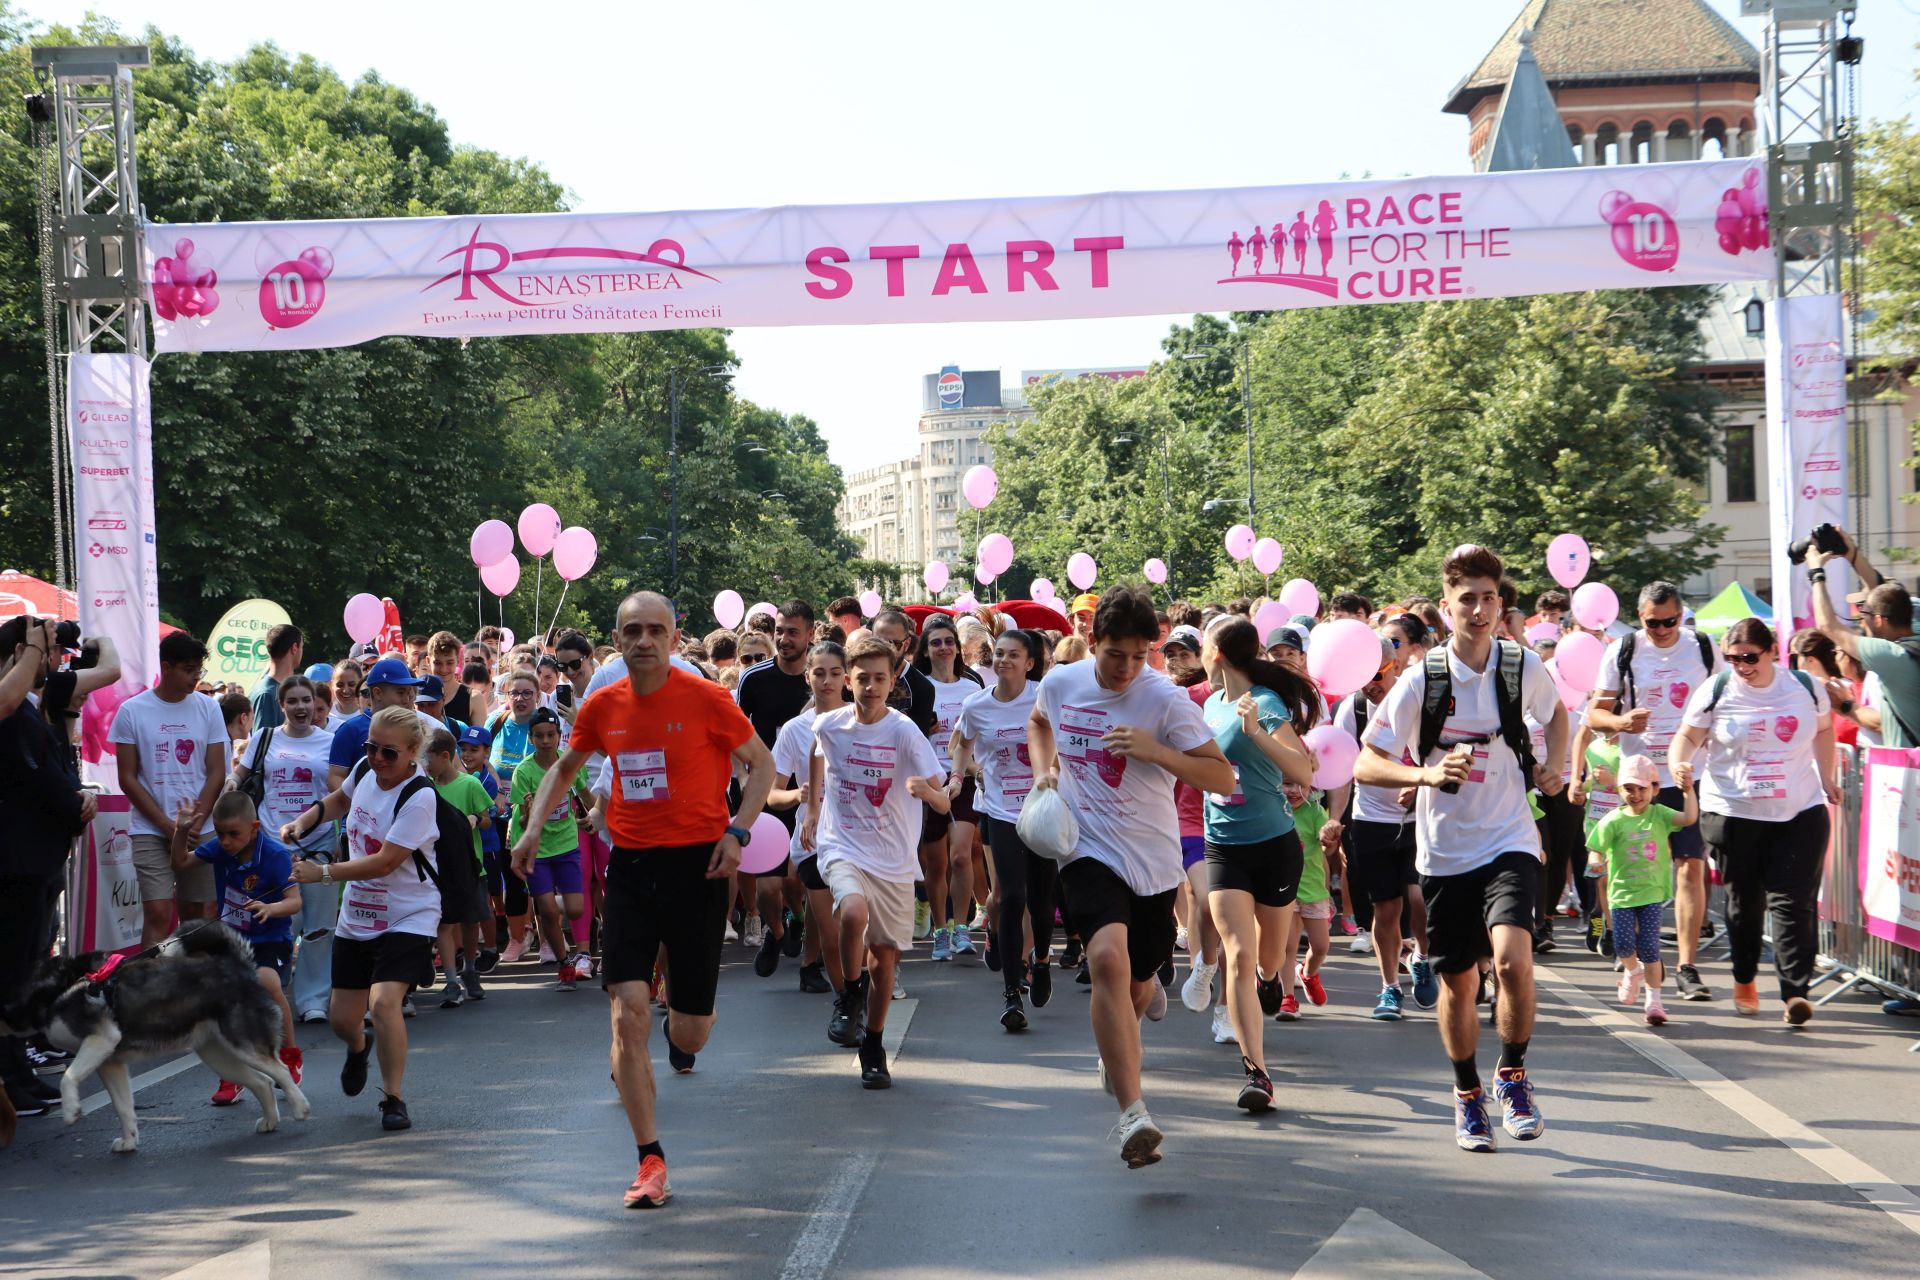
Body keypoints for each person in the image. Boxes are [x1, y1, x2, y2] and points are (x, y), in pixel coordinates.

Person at [512, 592, 771, 1209]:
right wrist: (531, 829)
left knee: (690, 1034)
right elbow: (565, 769)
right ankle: (649, 1160)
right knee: (627, 1013)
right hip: (631, 866)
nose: (645, 641)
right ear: (619, 638)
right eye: (633, 631)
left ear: (675, 639)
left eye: (657, 630)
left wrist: (738, 833)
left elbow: (761, 767)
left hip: (699, 868)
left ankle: (683, 1013)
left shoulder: (707, 699)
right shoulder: (604, 705)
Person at [1355, 545, 1566, 1152]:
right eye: (1466, 599)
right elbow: (1367, 762)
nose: (1478, 610)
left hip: (1510, 837)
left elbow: (1556, 717)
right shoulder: (1423, 678)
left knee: (1513, 962)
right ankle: (1468, 1093)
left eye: (1488, 598)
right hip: (1446, 851)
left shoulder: (1520, 665)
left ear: (1501, 605)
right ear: (1446, 608)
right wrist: (1425, 774)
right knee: (1458, 983)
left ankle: (1513, 1075)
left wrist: (1555, 765)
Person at [1029, 586, 1235, 1167]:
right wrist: (1045, 771)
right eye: (1115, 655)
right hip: (1085, 848)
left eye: (1139, 656)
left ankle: (1118, 1039)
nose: (1126, 668)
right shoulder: (1062, 683)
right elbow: (1039, 722)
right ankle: (1132, 1115)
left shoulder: (1165, 700)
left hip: (1152, 860)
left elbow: (1221, 777)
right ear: (1092, 642)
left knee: (1139, 985)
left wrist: (1157, 751)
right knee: (1106, 962)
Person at [1669, 618, 1838, 1025]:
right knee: (1745, 904)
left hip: (1799, 810)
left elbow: (1824, 729)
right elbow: (1688, 736)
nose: (1741, 666)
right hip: (1733, 812)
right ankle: (1744, 978)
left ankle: (1795, 994)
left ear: (1772, 652)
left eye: (1749, 657)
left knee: (1792, 902)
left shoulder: (1804, 686)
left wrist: (1827, 776)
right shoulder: (1716, 689)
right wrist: (1679, 763)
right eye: (1732, 658)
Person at [286, 706, 442, 1132]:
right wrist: (306, 819)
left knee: (384, 1002)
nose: (377, 759)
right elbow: (341, 799)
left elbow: (386, 862)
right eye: (372, 748)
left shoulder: (420, 796)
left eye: (389, 753)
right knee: (342, 1020)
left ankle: (393, 1097)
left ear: (413, 751)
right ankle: (358, 1046)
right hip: (358, 913)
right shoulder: (364, 770)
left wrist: (323, 873)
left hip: (408, 913)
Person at [802, 635, 946, 1088]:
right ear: (848, 680)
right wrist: (812, 808)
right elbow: (817, 752)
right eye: (862, 678)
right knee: (852, 912)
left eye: (879, 678)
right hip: (842, 845)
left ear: (892, 681)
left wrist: (927, 793)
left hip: (893, 858)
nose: (870, 687)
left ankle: (874, 1044)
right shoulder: (830, 724)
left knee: (884, 963)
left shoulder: (904, 732)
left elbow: (943, 800)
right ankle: (850, 994)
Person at [1197, 616, 1317, 1112]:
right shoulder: (1209, 704)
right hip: (1223, 847)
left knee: (1267, 962)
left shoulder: (1264, 704)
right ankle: (1257, 1073)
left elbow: (1302, 769)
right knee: (1239, 954)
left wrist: (1256, 733)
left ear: (1218, 653)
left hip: (1273, 846)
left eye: (1203, 646)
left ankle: (1271, 981)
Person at [1585, 582, 1720, 1001]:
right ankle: (1633, 954)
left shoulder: (1703, 647)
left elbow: (1725, 699)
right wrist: (1621, 723)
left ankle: (1687, 967)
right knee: (1631, 869)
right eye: (1652, 623)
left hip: (1687, 775)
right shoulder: (1624, 651)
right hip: (1638, 779)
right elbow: (1594, 714)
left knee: (1689, 866)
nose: (1661, 630)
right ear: (1639, 618)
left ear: (1681, 616)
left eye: (1670, 621)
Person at [0, 616, 95, 1118]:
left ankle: (19, 1074)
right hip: (13, 864)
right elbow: (33, 773)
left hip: (34, 862)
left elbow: (49, 769)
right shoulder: (9, 707)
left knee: (23, 975)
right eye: (45, 649)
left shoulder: (26, 708)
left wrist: (77, 798)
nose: (53, 658)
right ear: (20, 652)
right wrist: (72, 802)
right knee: (11, 978)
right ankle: (11, 1080)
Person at [1327, 635, 1437, 1014]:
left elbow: (1440, 755)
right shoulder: (1352, 710)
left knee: (1419, 900)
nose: (1370, 685)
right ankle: (1390, 987)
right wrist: (1335, 819)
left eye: (1376, 675)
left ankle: (1421, 957)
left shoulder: (1418, 699)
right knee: (1385, 910)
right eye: (1361, 678)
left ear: (1396, 667)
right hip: (1371, 819)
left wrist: (1419, 785)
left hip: (1417, 818)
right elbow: (1343, 772)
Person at [170, 791, 304, 1104]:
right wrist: (180, 831)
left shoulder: (275, 855)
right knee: (222, 1002)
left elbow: (295, 902)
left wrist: (271, 909)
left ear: (254, 828)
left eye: (233, 834)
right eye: (220, 834)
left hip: (271, 940)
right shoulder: (219, 849)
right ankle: (232, 1075)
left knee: (268, 983)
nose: (225, 841)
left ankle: (290, 1055)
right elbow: (181, 861)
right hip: (231, 941)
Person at [951, 629, 1052, 1031]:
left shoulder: (1045, 697)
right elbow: (962, 743)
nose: (1003, 661)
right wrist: (960, 774)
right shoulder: (977, 704)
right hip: (1000, 810)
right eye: (998, 654)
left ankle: (1041, 960)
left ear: (1030, 662)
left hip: (1041, 808)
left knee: (1041, 901)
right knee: (1012, 896)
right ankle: (1012, 992)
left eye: (1013, 655)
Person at [229, 675, 336, 1025]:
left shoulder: (331, 741)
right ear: (281, 705)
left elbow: (341, 792)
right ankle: (271, 995)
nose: (300, 707)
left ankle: (313, 1000)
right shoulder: (264, 737)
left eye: (306, 700)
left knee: (318, 927)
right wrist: (228, 787)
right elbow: (240, 776)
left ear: (315, 703)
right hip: (272, 846)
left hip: (319, 844)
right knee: (275, 923)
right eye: (293, 701)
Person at [112, 631, 228, 946]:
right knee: (159, 914)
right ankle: (152, 977)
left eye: (199, 670)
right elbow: (127, 777)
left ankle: (193, 976)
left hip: (201, 829)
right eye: (188, 670)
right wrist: (168, 826)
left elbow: (217, 771)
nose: (196, 677)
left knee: (199, 914)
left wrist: (195, 823)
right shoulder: (132, 711)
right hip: (150, 829)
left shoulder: (209, 708)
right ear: (166, 667)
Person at [734, 601, 818, 975]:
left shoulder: (820, 677)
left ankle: (798, 918)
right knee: (768, 888)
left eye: (792, 632)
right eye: (779, 631)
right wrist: (743, 778)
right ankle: (777, 931)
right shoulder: (755, 678)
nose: (783, 639)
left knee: (794, 880)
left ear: (810, 634)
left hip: (812, 795)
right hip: (767, 791)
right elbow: (734, 734)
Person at [767, 641, 851, 1011]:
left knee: (854, 928)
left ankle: (861, 989)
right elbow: (772, 795)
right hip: (813, 840)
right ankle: (846, 1002)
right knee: (834, 935)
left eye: (835, 673)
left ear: (847, 678)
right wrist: (798, 795)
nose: (827, 681)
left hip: (860, 839)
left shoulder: (864, 721)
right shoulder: (794, 730)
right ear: (807, 677)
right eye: (819, 673)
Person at [1586, 754, 1698, 1027]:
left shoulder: (1660, 815)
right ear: (1619, 789)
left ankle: (1654, 1001)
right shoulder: (1613, 820)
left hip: (1652, 894)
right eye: (1629, 788)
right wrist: (1596, 862)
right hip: (1622, 895)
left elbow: (1689, 818)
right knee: (1624, 945)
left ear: (1655, 789)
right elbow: (1595, 848)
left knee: (1649, 949)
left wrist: (1688, 791)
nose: (1635, 795)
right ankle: (1632, 971)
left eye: (1642, 788)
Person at [916, 614, 986, 960]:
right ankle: (940, 930)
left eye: (948, 642)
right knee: (935, 862)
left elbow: (979, 735)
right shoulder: (919, 689)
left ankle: (961, 928)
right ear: (925, 651)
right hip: (931, 781)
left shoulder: (972, 689)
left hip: (965, 779)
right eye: (936, 643)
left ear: (958, 648)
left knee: (961, 855)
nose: (943, 648)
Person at [507, 707, 593, 988]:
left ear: (559, 735)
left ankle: (550, 906)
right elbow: (521, 820)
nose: (545, 741)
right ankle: (565, 964)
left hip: (567, 843)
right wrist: (530, 811)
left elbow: (584, 794)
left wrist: (597, 817)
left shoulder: (569, 762)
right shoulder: (524, 771)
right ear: (530, 738)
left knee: (576, 909)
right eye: (539, 736)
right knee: (547, 910)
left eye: (550, 735)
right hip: (538, 850)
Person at [1808, 537, 1920, 749]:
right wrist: (1852, 555)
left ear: (1878, 620)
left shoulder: (1890, 656)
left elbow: (1827, 625)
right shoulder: (1913, 637)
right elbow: (1886, 596)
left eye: (1864, 611)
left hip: (1907, 765)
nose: (1860, 618)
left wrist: (1816, 572)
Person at [424, 727, 495, 1005]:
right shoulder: (426, 787)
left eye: (427, 757)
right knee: (444, 923)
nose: (424, 764)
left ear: (444, 756)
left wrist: (475, 818)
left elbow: (487, 819)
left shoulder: (469, 784)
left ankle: (470, 969)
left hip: (470, 866)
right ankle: (451, 980)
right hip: (438, 868)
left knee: (470, 920)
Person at [484, 670, 544, 962]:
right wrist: (497, 790)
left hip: (534, 814)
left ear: (538, 696)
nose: (520, 699)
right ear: (506, 695)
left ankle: (548, 938)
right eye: (514, 693)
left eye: (527, 693)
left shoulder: (543, 725)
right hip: (500, 814)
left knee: (541, 876)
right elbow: (482, 759)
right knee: (511, 876)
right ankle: (517, 938)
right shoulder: (495, 722)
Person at [249, 623, 303, 731]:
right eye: (302, 647)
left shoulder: (271, 690)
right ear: (294, 648)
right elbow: (263, 740)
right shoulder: (267, 694)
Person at [328, 659, 366, 731]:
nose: (346, 690)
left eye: (351, 684)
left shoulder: (369, 714)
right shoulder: (325, 714)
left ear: (361, 683)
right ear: (332, 684)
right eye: (340, 685)